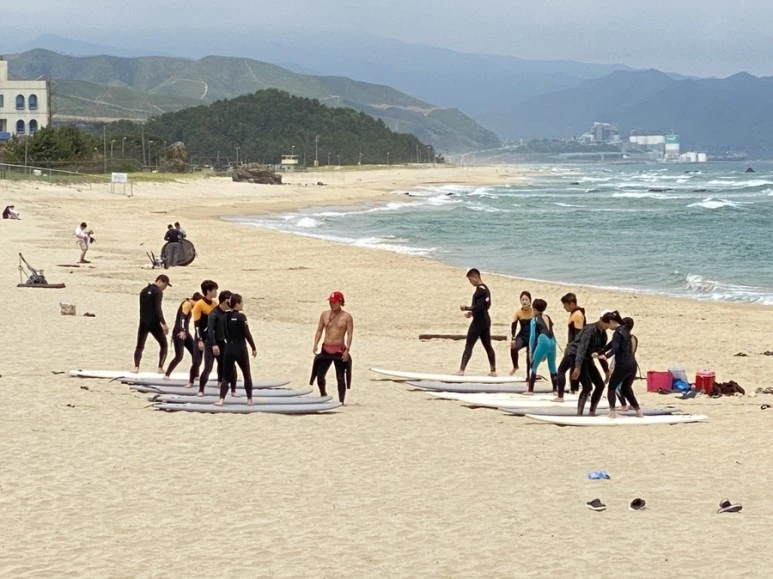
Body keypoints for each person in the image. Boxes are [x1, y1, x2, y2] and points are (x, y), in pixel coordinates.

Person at [554, 311, 612, 415]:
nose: (608, 327)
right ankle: (579, 413)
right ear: (601, 320)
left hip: (587, 358)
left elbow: (600, 353)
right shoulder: (589, 330)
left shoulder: (603, 334)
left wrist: (606, 370)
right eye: (607, 324)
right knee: (587, 386)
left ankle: (592, 412)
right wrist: (577, 367)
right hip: (575, 355)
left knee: (600, 385)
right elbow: (581, 348)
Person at [310, 291, 354, 403]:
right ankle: (323, 395)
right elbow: (319, 330)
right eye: (330, 302)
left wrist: (347, 350)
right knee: (320, 376)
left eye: (334, 302)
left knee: (340, 377)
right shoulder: (324, 314)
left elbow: (350, 334)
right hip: (326, 348)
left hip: (339, 349)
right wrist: (315, 344)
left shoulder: (347, 317)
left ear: (340, 302)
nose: (331, 304)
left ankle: (341, 401)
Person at [599, 313, 642, 418]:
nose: (608, 328)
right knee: (626, 388)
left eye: (608, 325)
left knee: (612, 387)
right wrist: (601, 352)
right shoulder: (627, 332)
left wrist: (606, 356)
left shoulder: (617, 332)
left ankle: (612, 412)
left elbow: (615, 348)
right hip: (633, 365)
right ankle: (639, 412)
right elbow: (611, 344)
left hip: (622, 364)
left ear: (611, 322)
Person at [217, 294, 257, 406]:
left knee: (226, 376)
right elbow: (247, 333)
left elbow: (223, 332)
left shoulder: (225, 316)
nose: (242, 305)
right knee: (246, 374)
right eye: (241, 302)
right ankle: (249, 399)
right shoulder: (241, 317)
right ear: (237, 304)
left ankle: (221, 400)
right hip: (240, 348)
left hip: (228, 348)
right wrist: (253, 347)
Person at [456, 268, 496, 376]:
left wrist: (466, 308)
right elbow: (486, 306)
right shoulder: (486, 289)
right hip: (485, 319)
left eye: (470, 280)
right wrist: (472, 313)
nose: (470, 282)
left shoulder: (480, 290)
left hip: (479, 321)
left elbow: (479, 306)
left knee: (469, 344)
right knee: (488, 345)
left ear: (475, 277)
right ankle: (493, 371)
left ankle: (461, 370)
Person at [132, 274, 171, 373]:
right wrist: (164, 324)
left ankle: (136, 367)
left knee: (139, 346)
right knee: (164, 345)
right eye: (165, 285)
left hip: (143, 323)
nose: (165, 288)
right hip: (154, 324)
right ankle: (160, 368)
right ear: (160, 281)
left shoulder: (144, 290)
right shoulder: (158, 292)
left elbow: (142, 308)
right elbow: (158, 309)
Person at [199, 290, 232, 396]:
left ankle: (220, 383)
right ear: (225, 301)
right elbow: (210, 330)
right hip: (211, 344)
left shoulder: (226, 314)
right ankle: (201, 390)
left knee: (222, 365)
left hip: (222, 343)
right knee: (208, 368)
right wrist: (214, 345)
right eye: (230, 301)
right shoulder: (213, 314)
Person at [163, 291, 203, 379]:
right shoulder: (187, 304)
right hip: (179, 332)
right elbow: (182, 319)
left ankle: (196, 375)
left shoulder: (191, 305)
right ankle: (167, 374)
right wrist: (182, 330)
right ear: (194, 301)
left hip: (186, 332)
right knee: (179, 356)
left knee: (195, 353)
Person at [188, 280, 219, 388]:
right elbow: (196, 324)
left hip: (210, 337)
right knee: (197, 361)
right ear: (208, 291)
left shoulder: (214, 304)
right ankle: (191, 381)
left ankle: (219, 381)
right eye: (214, 290)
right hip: (200, 335)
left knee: (212, 362)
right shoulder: (199, 304)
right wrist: (199, 340)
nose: (216, 292)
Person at [527, 298, 557, 394]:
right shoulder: (548, 317)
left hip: (543, 341)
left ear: (534, 309)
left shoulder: (534, 319)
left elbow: (532, 337)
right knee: (552, 366)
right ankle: (555, 390)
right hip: (553, 341)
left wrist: (530, 351)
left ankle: (530, 390)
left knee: (533, 365)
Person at [561, 293, 586, 393]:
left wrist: (571, 347)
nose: (564, 307)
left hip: (574, 348)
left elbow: (578, 335)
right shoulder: (574, 313)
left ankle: (570, 391)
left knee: (562, 370)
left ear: (572, 304)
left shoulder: (577, 315)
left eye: (565, 305)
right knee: (572, 368)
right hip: (572, 347)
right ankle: (573, 389)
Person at [509, 291, 533, 375]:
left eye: (526, 299)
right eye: (522, 300)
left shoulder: (534, 311)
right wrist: (513, 338)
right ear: (520, 301)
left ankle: (528, 376)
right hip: (522, 336)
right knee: (513, 347)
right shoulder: (518, 313)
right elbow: (513, 327)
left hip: (532, 337)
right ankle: (515, 366)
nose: (524, 301)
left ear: (530, 301)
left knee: (528, 357)